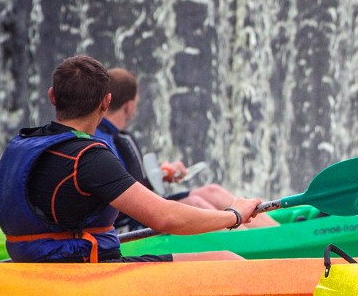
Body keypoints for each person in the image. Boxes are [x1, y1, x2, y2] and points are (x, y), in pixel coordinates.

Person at [0, 56, 262, 263]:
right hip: (85, 273)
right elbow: (165, 217)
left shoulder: (19, 147)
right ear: (105, 103)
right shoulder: (90, 157)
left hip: (32, 268)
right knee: (225, 260)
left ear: (52, 97)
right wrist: (233, 215)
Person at [96, 68, 276, 228]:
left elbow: (123, 182)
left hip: (138, 208)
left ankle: (280, 233)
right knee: (195, 201)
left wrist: (161, 175)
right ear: (129, 106)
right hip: (128, 221)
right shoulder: (107, 140)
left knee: (212, 190)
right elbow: (120, 193)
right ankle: (251, 242)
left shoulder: (117, 137)